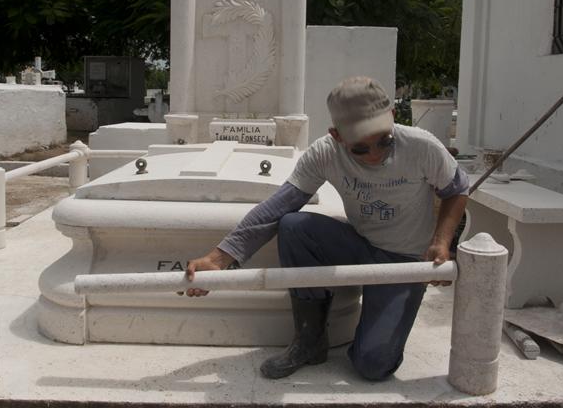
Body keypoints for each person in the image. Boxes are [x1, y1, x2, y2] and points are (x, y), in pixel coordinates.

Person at [183, 76, 469, 381]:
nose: (374, 154)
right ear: (337, 135)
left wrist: (441, 243)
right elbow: (279, 207)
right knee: (294, 226)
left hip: (406, 262)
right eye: (360, 148)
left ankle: (381, 317)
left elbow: (457, 189)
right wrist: (218, 259)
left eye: (384, 141)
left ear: (393, 119)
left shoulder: (422, 146)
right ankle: (310, 341)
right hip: (361, 245)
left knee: (373, 366)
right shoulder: (324, 153)